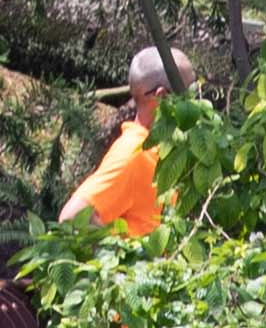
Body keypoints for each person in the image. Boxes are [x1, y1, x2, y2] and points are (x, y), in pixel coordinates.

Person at [59, 45, 193, 237]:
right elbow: (72, 219)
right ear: (162, 96)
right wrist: (127, 260)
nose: (197, 101)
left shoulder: (162, 149)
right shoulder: (133, 154)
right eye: (189, 92)